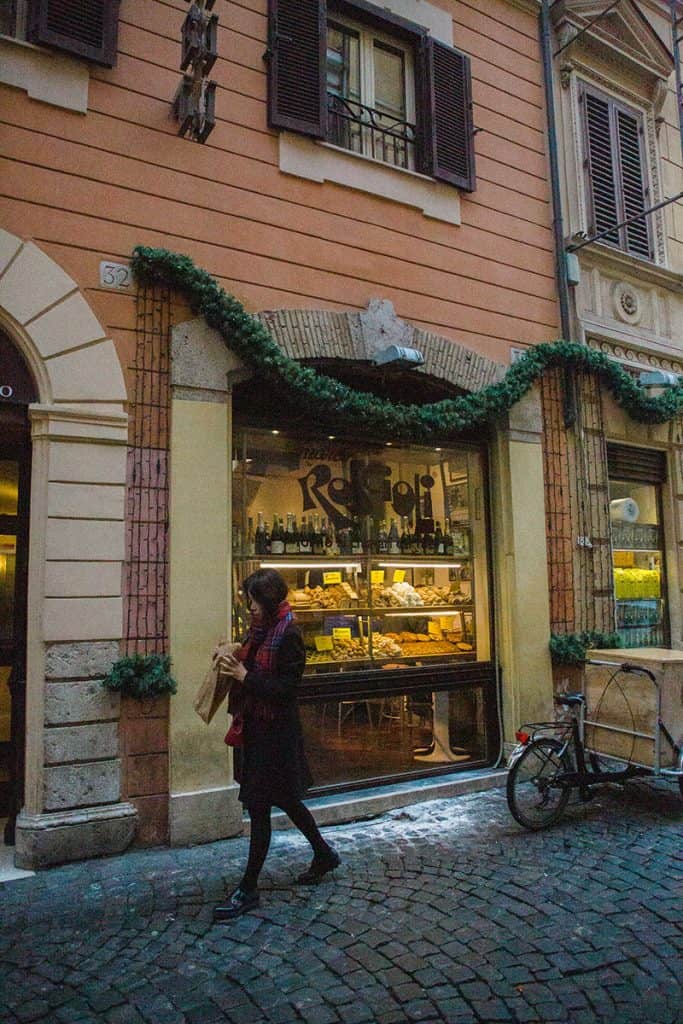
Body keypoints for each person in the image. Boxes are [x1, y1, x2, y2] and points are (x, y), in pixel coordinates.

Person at [214, 568, 340, 921]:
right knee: (286, 798)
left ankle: (248, 887)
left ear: (267, 602)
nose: (249, 606)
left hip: (276, 735)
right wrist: (231, 660)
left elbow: (287, 689)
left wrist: (246, 677)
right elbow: (251, 665)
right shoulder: (261, 631)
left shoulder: (289, 635)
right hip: (258, 730)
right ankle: (323, 853)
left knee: (258, 806)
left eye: (253, 600)